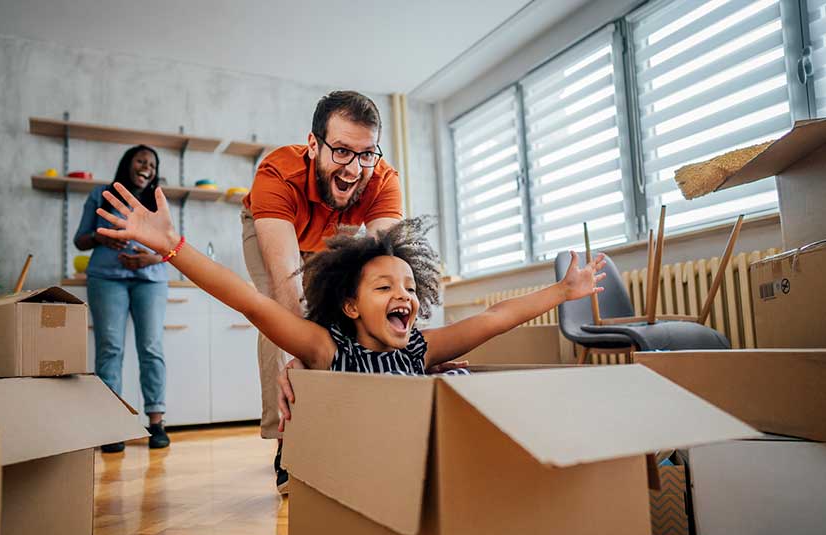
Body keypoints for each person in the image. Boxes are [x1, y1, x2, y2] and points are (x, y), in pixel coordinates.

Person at [92, 182, 606, 444]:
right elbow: (247, 299)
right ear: (351, 304)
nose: (403, 293)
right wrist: (171, 245)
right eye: (384, 286)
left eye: (408, 285)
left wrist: (561, 292)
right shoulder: (326, 351)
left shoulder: (421, 351)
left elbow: (492, 320)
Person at [240, 90, 402, 493]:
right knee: (281, 319)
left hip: (333, 233)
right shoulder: (277, 174)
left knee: (347, 312)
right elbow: (287, 286)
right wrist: (303, 355)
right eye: (342, 151)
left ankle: (342, 428)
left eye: (367, 154)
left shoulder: (381, 179)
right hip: (279, 230)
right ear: (313, 144)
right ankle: (287, 443)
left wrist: (401, 347)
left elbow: (389, 273)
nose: (354, 168)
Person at [74, 145, 171, 452]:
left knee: (151, 347)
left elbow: (172, 248)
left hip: (149, 280)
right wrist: (100, 236)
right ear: (128, 163)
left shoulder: (156, 202)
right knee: (110, 349)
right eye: (141, 161)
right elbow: (80, 239)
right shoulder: (101, 194)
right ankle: (111, 426)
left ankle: (156, 423)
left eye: (152, 164)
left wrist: (149, 259)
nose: (147, 167)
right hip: (106, 278)